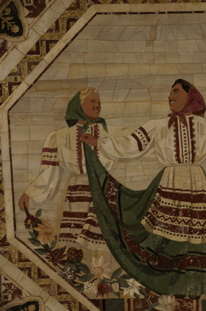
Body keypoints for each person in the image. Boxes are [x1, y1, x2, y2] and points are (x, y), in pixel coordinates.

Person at [79, 79, 206, 297]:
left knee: (193, 237)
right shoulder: (159, 125)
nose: (170, 96)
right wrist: (100, 143)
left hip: (197, 187)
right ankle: (163, 286)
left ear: (190, 96)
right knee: (164, 237)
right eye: (170, 92)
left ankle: (192, 289)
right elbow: (131, 145)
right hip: (169, 183)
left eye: (176, 92)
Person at [19, 88, 127, 284]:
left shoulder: (108, 133)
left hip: (102, 189)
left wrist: (99, 143)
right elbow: (49, 171)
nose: (97, 105)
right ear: (78, 105)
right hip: (75, 191)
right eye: (92, 101)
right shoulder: (59, 136)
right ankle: (75, 280)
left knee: (103, 237)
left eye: (99, 102)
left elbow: (125, 151)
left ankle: (104, 282)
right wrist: (29, 193)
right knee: (72, 238)